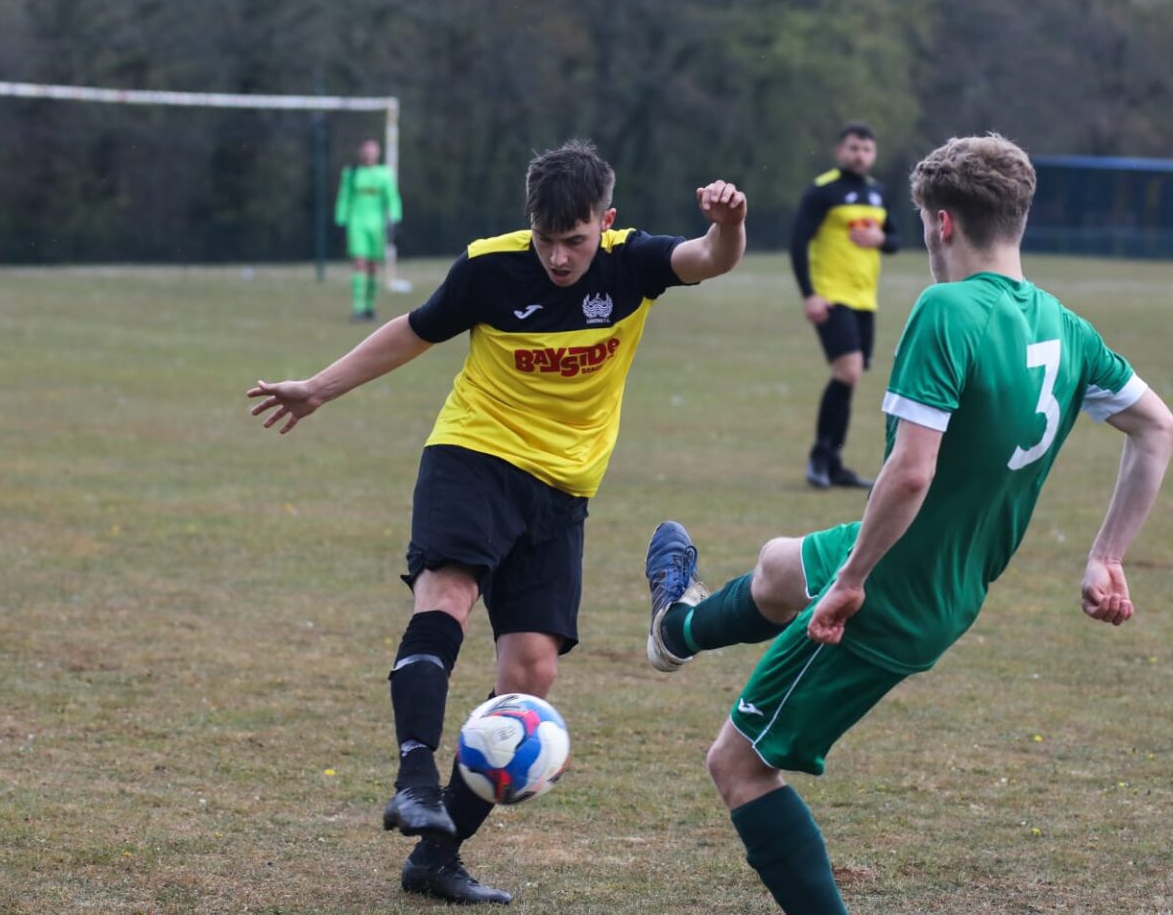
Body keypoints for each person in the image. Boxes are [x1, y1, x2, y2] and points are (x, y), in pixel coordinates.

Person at [642, 134, 1173, 914]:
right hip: (945, 578)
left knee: (739, 766)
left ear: (941, 224)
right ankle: (675, 631)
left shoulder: (946, 310)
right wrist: (1106, 556)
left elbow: (912, 470)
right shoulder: (1066, 328)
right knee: (776, 566)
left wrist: (851, 581)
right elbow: (1158, 428)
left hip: (890, 591)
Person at [249, 140, 747, 905]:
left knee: (531, 674)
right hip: (474, 455)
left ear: (604, 223)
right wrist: (319, 387)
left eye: (574, 240)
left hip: (562, 492)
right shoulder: (490, 267)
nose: (556, 257)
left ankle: (435, 857)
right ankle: (414, 774)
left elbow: (711, 258)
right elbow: (414, 330)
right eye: (545, 239)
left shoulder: (632, 263)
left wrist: (730, 223)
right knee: (446, 594)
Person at [790, 122, 901, 489]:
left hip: (864, 299)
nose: (860, 155)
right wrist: (810, 293)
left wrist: (880, 237)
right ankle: (820, 458)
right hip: (831, 294)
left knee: (850, 378)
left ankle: (834, 464)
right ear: (840, 151)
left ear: (874, 155)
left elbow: (895, 240)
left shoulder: (877, 193)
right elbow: (797, 243)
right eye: (853, 148)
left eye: (866, 149)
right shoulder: (823, 191)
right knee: (848, 371)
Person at [335, 137, 407, 320]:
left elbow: (392, 197)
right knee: (359, 263)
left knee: (374, 265)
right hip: (357, 222)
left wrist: (395, 218)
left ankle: (370, 307)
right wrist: (341, 219)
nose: (369, 153)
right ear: (361, 152)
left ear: (378, 153)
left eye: (372, 149)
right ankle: (358, 307)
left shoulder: (384, 174)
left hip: (377, 225)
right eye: (366, 149)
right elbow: (344, 197)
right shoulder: (351, 173)